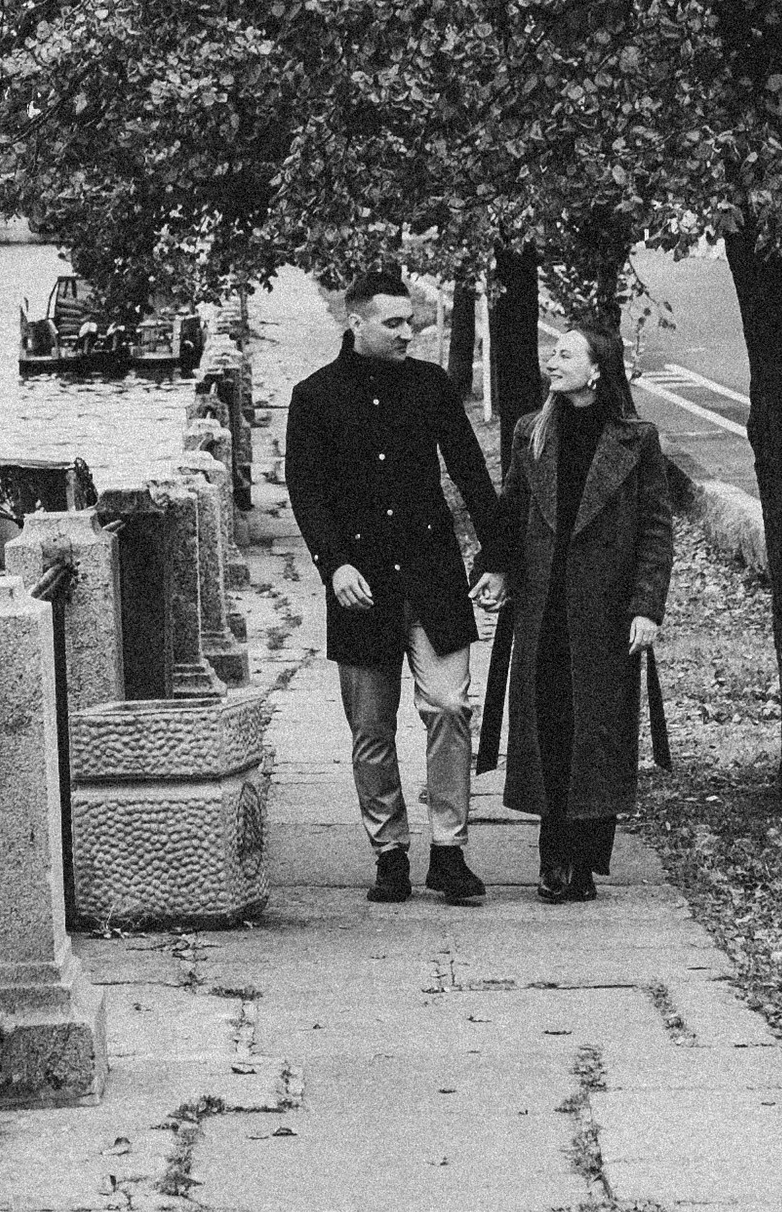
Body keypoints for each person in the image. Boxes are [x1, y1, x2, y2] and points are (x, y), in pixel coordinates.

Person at [284, 261, 505, 907]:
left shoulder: (432, 387)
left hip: (432, 580)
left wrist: (496, 556)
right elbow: (307, 492)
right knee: (372, 729)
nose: (410, 331)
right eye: (395, 322)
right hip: (361, 587)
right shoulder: (315, 397)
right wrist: (334, 566)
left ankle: (449, 849)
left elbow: (468, 468)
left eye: (412, 320)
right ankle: (389, 851)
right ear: (357, 324)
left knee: (448, 706)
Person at [488, 321, 673, 903]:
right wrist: (496, 570)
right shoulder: (531, 433)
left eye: (566, 352)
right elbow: (512, 512)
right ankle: (556, 858)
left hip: (606, 610)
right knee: (551, 725)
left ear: (597, 369)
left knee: (597, 731)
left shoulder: (636, 439)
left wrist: (647, 607)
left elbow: (655, 529)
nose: (552, 359)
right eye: (553, 350)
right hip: (544, 607)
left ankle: (585, 860)